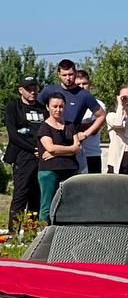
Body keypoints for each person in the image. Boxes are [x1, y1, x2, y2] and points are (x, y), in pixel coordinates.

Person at [39, 59, 105, 173]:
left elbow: (101, 116)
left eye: (70, 74)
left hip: (71, 146)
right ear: (59, 75)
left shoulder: (84, 95)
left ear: (75, 73)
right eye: (64, 75)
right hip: (50, 143)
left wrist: (85, 134)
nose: (68, 78)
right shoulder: (49, 90)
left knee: (74, 184)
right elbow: (34, 110)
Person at [4, 76, 45, 228]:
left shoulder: (42, 108)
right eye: (28, 89)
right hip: (23, 157)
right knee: (21, 194)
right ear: (20, 90)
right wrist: (34, 149)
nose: (32, 92)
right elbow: (13, 135)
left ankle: (31, 232)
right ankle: (13, 232)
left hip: (41, 158)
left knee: (36, 195)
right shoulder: (14, 107)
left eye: (35, 88)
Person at [35, 92, 80, 222]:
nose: (58, 109)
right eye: (54, 106)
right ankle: (43, 234)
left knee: (69, 204)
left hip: (70, 170)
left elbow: (77, 148)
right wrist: (69, 149)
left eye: (61, 106)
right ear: (48, 107)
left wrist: (58, 151)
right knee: (47, 205)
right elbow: (50, 147)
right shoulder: (44, 127)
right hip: (49, 171)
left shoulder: (70, 125)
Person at [73, 70, 106, 174]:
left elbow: (96, 127)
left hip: (92, 154)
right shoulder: (68, 104)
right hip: (73, 153)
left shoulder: (98, 104)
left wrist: (76, 127)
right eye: (78, 84)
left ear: (89, 84)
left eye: (84, 83)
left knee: (93, 188)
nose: (82, 86)